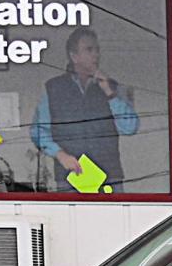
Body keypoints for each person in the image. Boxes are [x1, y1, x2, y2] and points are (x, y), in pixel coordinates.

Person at [30, 28, 139, 191]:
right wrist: (60, 155)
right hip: (71, 178)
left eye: (97, 50)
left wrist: (109, 93)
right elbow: (38, 131)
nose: (96, 55)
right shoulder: (54, 88)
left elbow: (130, 128)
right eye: (89, 49)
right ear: (74, 56)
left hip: (110, 177)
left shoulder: (111, 87)